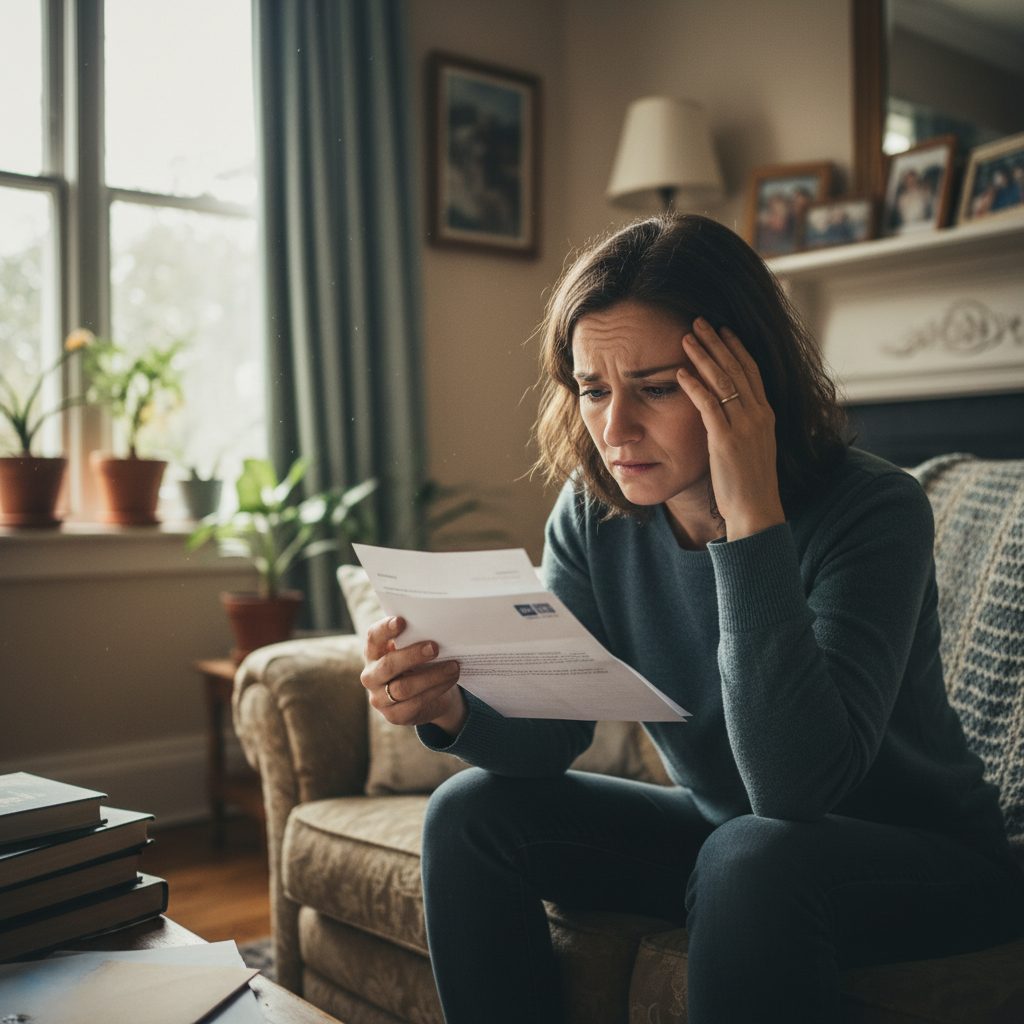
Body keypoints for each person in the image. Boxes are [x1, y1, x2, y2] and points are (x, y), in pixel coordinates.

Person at [359, 214, 1024, 1023]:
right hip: (731, 839)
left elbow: (793, 788)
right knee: (469, 814)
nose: (612, 430)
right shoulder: (593, 515)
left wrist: (749, 518)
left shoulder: (875, 509)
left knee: (750, 853)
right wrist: (451, 706)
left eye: (657, 387)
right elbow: (553, 737)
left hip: (924, 860)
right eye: (594, 390)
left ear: (745, 380)